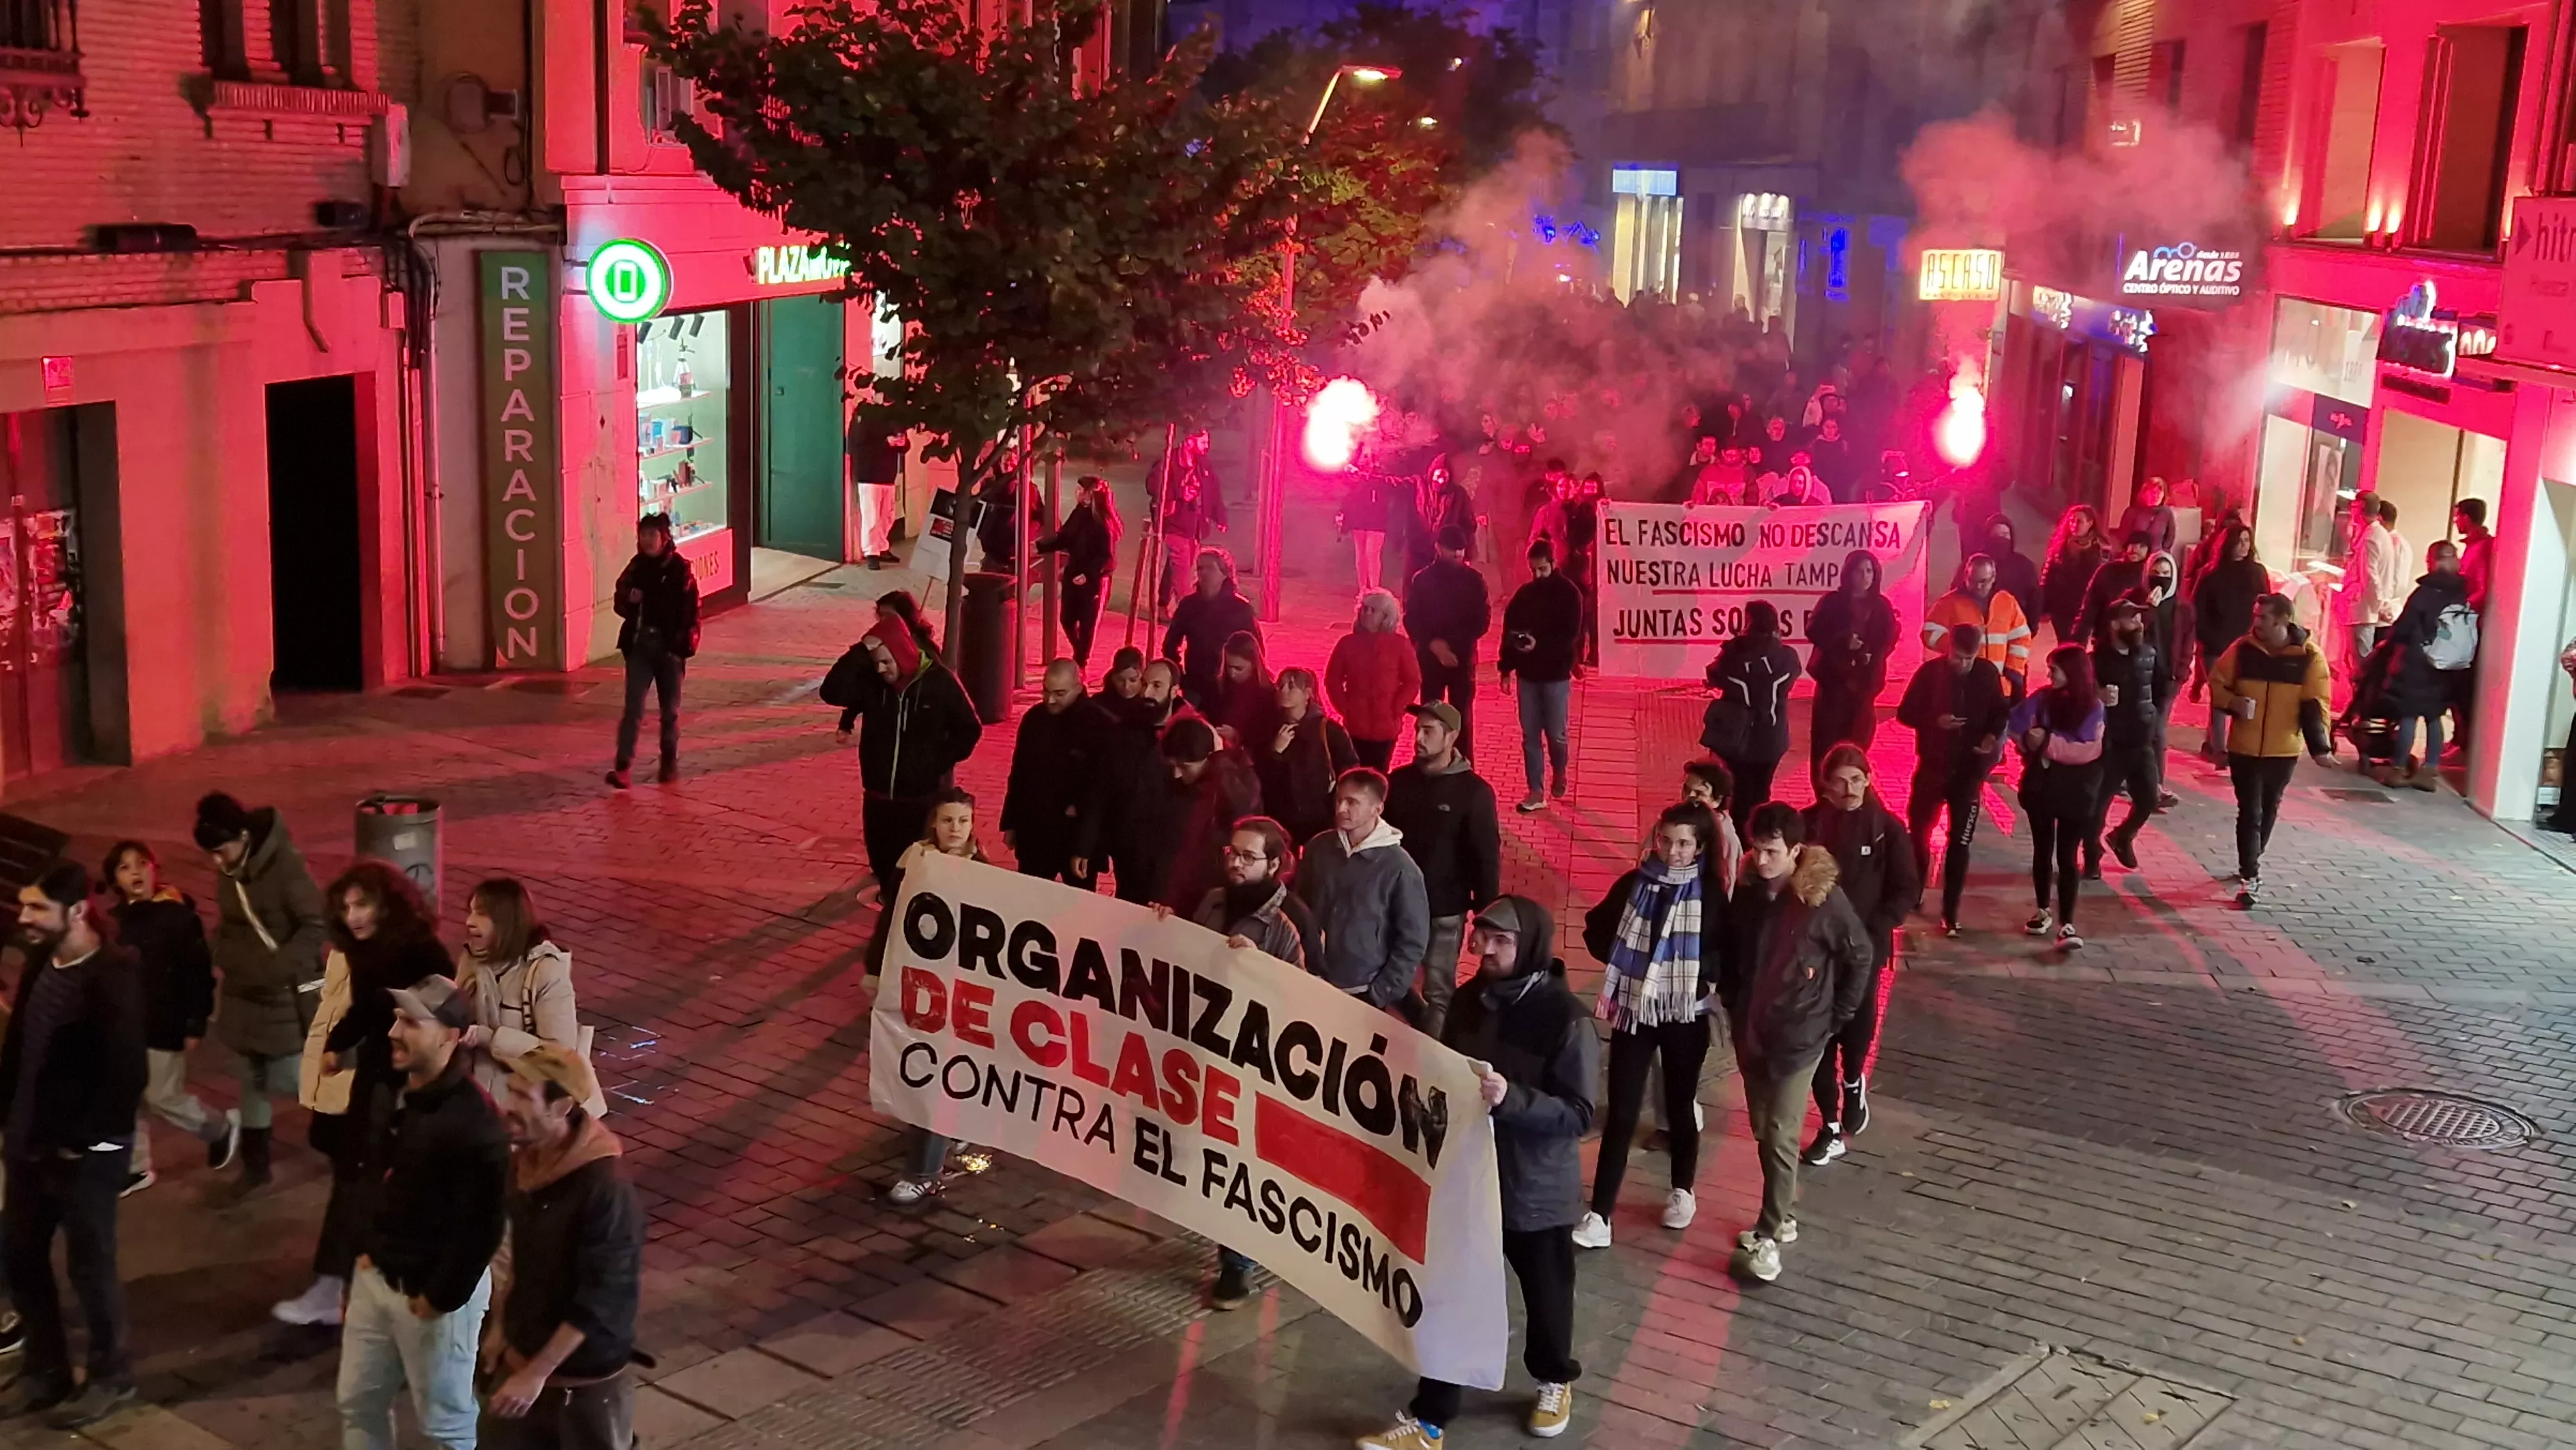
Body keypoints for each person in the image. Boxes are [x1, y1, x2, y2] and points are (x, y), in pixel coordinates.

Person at [1357, 896, 1593, 1449]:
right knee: (1451, 1297)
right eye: (1482, 937)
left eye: (1501, 941)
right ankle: (1431, 1417)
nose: (1485, 950)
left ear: (1529, 947)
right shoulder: (1469, 1001)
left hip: (1533, 1189)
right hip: (1468, 1179)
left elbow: (1579, 1113)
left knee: (1547, 1294)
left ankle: (1554, 1378)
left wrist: (1513, 1100)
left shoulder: (1565, 1017)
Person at [279, 860, 457, 1329]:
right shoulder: (365, 951)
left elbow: (441, 1018)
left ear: (387, 904)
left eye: (363, 905)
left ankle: (349, 1287)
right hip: (377, 1080)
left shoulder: (422, 953)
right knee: (356, 1177)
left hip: (406, 1087)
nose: (353, 916)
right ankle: (343, 1285)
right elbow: (366, 1008)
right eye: (346, 907)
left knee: (371, 1184)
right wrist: (337, 1045)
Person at [0, 862, 147, 1427]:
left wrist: (83, 1144)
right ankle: (46, 1369)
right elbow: (21, 1047)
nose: (25, 917)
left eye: (38, 907)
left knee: (90, 1265)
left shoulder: (112, 977)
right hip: (28, 1143)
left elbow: (126, 1077)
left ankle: (112, 1376)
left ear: (79, 911)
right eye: (24, 905)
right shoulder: (42, 960)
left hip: (83, 1156)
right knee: (20, 1254)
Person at [336, 977, 509, 1450]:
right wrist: (361, 1257)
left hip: (430, 1297)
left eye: (411, 1022)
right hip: (376, 1276)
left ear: (450, 1037)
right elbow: (369, 1180)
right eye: (397, 1019)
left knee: (445, 1424)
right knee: (357, 1403)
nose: (394, 1032)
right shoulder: (389, 1090)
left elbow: (482, 1228)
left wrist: (438, 1299)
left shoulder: (475, 1123)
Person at [1718, 806, 1871, 1285]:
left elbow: (1860, 955)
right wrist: (1733, 999)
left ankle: (1770, 1231)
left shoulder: (1822, 900)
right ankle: (1781, 1216)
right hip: (1753, 1031)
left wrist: (1835, 1017)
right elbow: (1734, 952)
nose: (1762, 859)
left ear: (1796, 851)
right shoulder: (1749, 892)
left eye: (1772, 852)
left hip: (1800, 1036)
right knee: (1765, 1130)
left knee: (1782, 1132)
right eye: (1757, 849)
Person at [1573, 803, 1725, 1247]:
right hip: (1634, 1009)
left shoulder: (1711, 893)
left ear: (1700, 847)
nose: (1672, 852)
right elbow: (1595, 929)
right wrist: (1624, 959)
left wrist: (1700, 973)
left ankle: (1682, 1189)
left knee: (1679, 1104)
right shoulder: (1635, 883)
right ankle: (1600, 1214)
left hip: (1685, 1013)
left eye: (1683, 844)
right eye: (1666, 840)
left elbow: (1727, 949)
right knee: (1622, 1110)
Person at [480, 1044, 643, 1450]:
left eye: (524, 1096)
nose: (507, 1106)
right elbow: (521, 1258)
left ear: (562, 1107)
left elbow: (602, 1296)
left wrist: (537, 1373)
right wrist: (502, 1329)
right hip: (523, 1358)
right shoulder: (526, 1162)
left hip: (582, 1383)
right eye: (511, 1091)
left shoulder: (604, 1190)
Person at [1192, 817, 1320, 1313]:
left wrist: (1259, 969)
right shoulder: (1213, 902)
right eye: (1233, 853)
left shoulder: (1292, 921)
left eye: (1249, 857)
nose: (1236, 864)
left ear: (1275, 864)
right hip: (1207, 1050)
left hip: (1258, 1063)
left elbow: (1310, 998)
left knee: (1241, 1162)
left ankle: (1238, 1263)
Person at [196, 790, 330, 1196]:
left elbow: (315, 925)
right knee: (250, 1078)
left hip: (285, 994)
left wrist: (279, 967)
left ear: (242, 837)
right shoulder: (231, 870)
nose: (217, 862)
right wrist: (219, 950)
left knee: (291, 1076)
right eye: (211, 854)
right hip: (244, 994)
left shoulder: (286, 868)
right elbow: (231, 923)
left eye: (221, 851)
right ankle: (256, 1166)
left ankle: (347, 1121)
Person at [1797, 747, 1917, 1167]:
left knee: (1856, 1025)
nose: (1849, 789)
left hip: (1864, 951)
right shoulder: (1808, 826)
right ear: (1825, 785)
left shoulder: (1887, 829)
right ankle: (1829, 1125)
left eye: (1857, 779)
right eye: (1840, 781)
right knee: (1819, 1033)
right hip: (1817, 950)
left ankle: (1852, 1081)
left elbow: (1906, 888)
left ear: (1868, 779)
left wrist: (1873, 929)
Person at [102, 841, 238, 1194]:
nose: (135, 872)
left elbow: (198, 975)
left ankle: (218, 1128)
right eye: (125, 867)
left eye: (141, 863)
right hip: (125, 1024)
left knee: (162, 1096)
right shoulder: (116, 922)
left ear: (154, 869)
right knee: (126, 1095)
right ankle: (135, 1167)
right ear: (115, 880)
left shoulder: (178, 918)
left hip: (164, 1024)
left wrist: (195, 1022)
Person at [884, 790, 998, 1204]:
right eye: (948, 820)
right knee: (924, 1068)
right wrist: (876, 968)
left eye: (963, 821)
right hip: (921, 983)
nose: (955, 828)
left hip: (961, 988)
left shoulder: (984, 871)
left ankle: (924, 1170)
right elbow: (892, 917)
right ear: (934, 822)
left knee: (937, 1075)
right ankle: (954, 1129)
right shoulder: (914, 861)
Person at [835, 613, 983, 906]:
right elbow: (832, 691)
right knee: (883, 864)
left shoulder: (939, 682)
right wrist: (860, 651)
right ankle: (890, 910)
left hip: (921, 799)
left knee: (920, 867)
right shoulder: (874, 683)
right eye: (876, 662)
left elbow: (970, 728)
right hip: (879, 796)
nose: (881, 669)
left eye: (886, 662)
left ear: (902, 654)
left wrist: (936, 763)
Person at [2210, 594, 2333, 908]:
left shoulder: (2308, 656)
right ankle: (2250, 874)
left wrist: (2320, 747)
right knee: (2250, 811)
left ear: (2282, 621)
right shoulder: (2242, 649)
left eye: (2262, 617)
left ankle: (2253, 857)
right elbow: (2217, 682)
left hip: (2283, 749)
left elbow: (2316, 704)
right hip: (2244, 747)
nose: (2256, 623)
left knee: (2268, 808)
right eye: (2256, 615)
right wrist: (2233, 703)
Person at [1385, 703, 1500, 1038]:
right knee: (1390, 978)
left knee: (1438, 990)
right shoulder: (1399, 782)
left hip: (1444, 911)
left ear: (1451, 737)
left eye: (1428, 731)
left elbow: (1486, 857)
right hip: (1396, 904)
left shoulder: (1474, 792)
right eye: (1416, 730)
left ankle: (1431, 1057)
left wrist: (1486, 915)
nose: (1418, 738)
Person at [1897, 624, 2011, 934]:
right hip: (1933, 767)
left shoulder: (1986, 673)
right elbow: (1905, 713)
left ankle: (1951, 910)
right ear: (1949, 649)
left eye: (1970, 659)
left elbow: (2000, 712)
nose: (1964, 664)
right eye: (1959, 657)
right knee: (1918, 832)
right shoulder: (1930, 673)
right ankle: (1916, 891)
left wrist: (1991, 737)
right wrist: (1935, 721)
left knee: (1961, 841)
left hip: (1969, 771)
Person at [1291, 768, 1430, 1011]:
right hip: (1310, 978)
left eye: (1352, 802)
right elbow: (1298, 906)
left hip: (1361, 991)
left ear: (1378, 808)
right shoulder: (1319, 847)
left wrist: (1380, 993)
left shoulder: (1400, 868)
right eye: (1339, 800)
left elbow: (1412, 941)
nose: (1341, 809)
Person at [457, 878, 594, 1113]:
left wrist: (490, 1038)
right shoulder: (473, 959)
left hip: (525, 1109)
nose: (470, 922)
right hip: (475, 1102)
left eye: (481, 914)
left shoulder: (545, 970)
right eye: (470, 912)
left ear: (506, 922)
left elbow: (559, 1055)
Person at [2007, 645, 2106, 948]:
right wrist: (2029, 741)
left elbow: (2087, 749)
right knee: (2042, 850)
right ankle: (2043, 910)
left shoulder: (2093, 707)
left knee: (2067, 855)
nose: (2049, 675)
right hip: (2042, 787)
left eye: (2055, 670)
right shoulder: (2043, 698)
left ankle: (2068, 922)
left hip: (2075, 791)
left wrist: (2046, 742)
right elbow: (2015, 723)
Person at [606, 513, 701, 789]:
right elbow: (620, 601)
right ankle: (623, 767)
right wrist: (630, 600)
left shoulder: (680, 570)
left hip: (670, 650)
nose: (647, 540)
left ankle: (668, 762)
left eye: (653, 535)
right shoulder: (636, 568)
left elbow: (692, 612)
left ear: (664, 537)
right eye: (644, 535)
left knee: (669, 712)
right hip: (640, 647)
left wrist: (681, 647)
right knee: (633, 708)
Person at [1084, 658, 1189, 903]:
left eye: (1157, 686)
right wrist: (1087, 844)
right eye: (1145, 684)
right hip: (1127, 846)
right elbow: (1101, 785)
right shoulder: (1124, 728)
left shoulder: (1190, 733)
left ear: (1174, 691)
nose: (1147, 692)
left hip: (1167, 851)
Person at [2379, 541, 2474, 790]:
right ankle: (2430, 771)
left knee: (2409, 715)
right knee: (2434, 717)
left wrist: (2390, 648)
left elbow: (2404, 628)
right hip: (2445, 664)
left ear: (2432, 561)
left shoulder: (2424, 593)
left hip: (2418, 662)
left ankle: (2399, 769)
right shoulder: (2461, 594)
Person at [1003, 660, 1106, 888]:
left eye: (1059, 694)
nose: (1050, 700)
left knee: (1078, 902)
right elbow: (1019, 773)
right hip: (1035, 831)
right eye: (1046, 691)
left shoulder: (1099, 724)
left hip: (1075, 834)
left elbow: (1099, 791)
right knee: (1032, 897)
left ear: (1078, 688)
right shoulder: (1034, 719)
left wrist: (1085, 847)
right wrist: (1011, 822)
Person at [1499, 541, 1582, 811]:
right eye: (1533, 570)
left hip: (1556, 675)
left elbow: (1569, 635)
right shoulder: (1525, 595)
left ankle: (1560, 770)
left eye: (1542, 569)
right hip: (1528, 675)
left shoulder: (1569, 594)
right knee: (1530, 735)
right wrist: (1506, 667)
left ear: (1553, 564)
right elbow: (1510, 630)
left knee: (1557, 734)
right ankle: (1535, 790)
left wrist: (1540, 645)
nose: (1537, 575)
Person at [2088, 597, 2170, 874]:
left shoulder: (2149, 654)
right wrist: (2097, 696)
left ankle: (2123, 836)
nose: (2139, 624)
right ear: (2114, 625)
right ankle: (2092, 855)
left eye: (2139, 618)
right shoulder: (2097, 660)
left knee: (2149, 799)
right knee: (2098, 805)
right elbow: (2080, 697)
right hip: (2110, 744)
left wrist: (2152, 718)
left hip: (2141, 741)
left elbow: (2160, 690)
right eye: (2131, 619)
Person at [1704, 600, 1802, 831]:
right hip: (1773, 736)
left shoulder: (1735, 653)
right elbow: (1791, 675)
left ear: (1749, 623)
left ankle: (1740, 838)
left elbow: (1715, 674)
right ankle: (1757, 834)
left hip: (1739, 736)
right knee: (1761, 790)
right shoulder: (1787, 656)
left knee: (1739, 791)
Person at [1151, 719, 1264, 914]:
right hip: (1179, 892)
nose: (1177, 774)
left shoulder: (1234, 785)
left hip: (1215, 894)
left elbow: (1245, 816)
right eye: (1173, 766)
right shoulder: (1179, 784)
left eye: (1184, 767)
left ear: (1207, 758)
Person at [1405, 525, 1492, 755]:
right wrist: (1434, 644)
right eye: (1452, 549)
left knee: (1461, 718)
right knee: (1430, 715)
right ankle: (1428, 760)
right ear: (1438, 548)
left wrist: (1452, 646)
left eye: (1461, 550)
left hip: (1461, 659)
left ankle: (1462, 765)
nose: (1457, 554)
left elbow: (1481, 621)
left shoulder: (1474, 581)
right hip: (1431, 659)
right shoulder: (1423, 580)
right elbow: (1413, 618)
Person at [1807, 551, 1897, 766]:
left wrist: (1872, 652)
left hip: (1864, 683)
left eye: (1869, 571)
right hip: (1833, 683)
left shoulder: (1881, 606)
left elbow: (1889, 638)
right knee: (1827, 741)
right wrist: (1843, 641)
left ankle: (1852, 779)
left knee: (1858, 740)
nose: (1865, 577)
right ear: (1849, 573)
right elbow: (1814, 630)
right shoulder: (1832, 602)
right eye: (1859, 571)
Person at [1255, 666, 1358, 847]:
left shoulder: (1328, 730)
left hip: (1318, 815)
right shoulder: (1267, 727)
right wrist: (1276, 751)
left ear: (1308, 693)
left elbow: (1349, 768)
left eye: (1291, 686)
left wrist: (1334, 802)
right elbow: (1260, 773)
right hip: (1281, 815)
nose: (1284, 691)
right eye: (1280, 686)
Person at [2190, 523, 2268, 762]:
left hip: (2247, 645)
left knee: (2244, 695)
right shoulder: (2211, 574)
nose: (2244, 546)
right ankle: (2219, 748)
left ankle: (2226, 744)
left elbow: (2266, 606)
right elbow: (2196, 610)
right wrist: (2206, 638)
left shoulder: (2256, 573)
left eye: (2247, 541)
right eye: (2239, 541)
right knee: (2220, 697)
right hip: (2215, 646)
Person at [1327, 588, 1421, 771]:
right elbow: (1333, 679)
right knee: (1352, 769)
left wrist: (1397, 708)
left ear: (1385, 616)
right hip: (1355, 723)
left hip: (1385, 726)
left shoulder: (1400, 645)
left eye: (1373, 610)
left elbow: (1412, 680)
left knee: (1379, 770)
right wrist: (1344, 707)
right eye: (1364, 609)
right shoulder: (1347, 643)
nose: (1366, 613)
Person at [1032, 475, 1120, 670]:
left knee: (1087, 624)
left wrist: (1088, 575)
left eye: (1081, 490)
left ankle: (1081, 662)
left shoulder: (1103, 522)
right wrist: (1040, 547)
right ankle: (1079, 655)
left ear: (1090, 494)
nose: (1077, 493)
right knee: (1067, 619)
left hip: (1092, 580)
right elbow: (1065, 538)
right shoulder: (1079, 512)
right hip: (1073, 573)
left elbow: (1105, 556)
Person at [1162, 547, 1260, 706]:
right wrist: (1181, 676)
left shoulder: (1240, 608)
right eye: (1200, 568)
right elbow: (1170, 644)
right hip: (1196, 685)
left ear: (1225, 573)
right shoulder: (1189, 605)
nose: (1203, 573)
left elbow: (1256, 648)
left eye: (1210, 568)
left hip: (1229, 686)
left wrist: (1243, 678)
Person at [1922, 555, 2032, 693]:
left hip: (1999, 684)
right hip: (1964, 683)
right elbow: (1929, 634)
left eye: (1983, 581)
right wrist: (1959, 644)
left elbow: (2022, 637)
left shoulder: (2007, 602)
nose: (1978, 587)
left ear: (1993, 578)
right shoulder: (1949, 603)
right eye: (1973, 581)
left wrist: (2013, 670)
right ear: (1965, 576)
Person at [1149, 428, 1226, 612]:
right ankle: (1188, 612)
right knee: (1184, 573)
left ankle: (1162, 603)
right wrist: (1179, 493)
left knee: (1180, 566)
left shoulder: (1202, 463)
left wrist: (1219, 517)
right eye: (1203, 442)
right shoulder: (1170, 461)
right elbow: (1153, 486)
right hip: (1175, 524)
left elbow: (1213, 489)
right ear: (1190, 441)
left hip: (1195, 526)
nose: (1207, 447)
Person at [2337, 493, 2403, 688]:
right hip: (2366, 608)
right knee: (2360, 660)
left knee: (2360, 663)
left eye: (2354, 508)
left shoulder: (2371, 537)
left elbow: (2370, 576)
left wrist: (2378, 605)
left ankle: (2360, 702)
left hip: (2362, 610)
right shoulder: (2377, 534)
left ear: (2361, 509)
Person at [1404, 458, 1479, 585]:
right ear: (1432, 473)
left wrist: (1467, 555)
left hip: (1444, 552)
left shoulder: (1458, 494)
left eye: (1444, 477)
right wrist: (1371, 478)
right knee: (1416, 584)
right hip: (1418, 549)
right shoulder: (1419, 485)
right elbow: (1396, 484)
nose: (1440, 481)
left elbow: (1468, 525)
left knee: (1443, 586)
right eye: (1438, 476)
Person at [2041, 506, 2107, 648]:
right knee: (2063, 644)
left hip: (2084, 608)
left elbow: (2101, 581)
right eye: (2072, 520)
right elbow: (2049, 575)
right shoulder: (2061, 545)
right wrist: (2045, 605)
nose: (2074, 525)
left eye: (2079, 521)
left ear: (2090, 523)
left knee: (2078, 646)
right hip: (2061, 606)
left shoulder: (2100, 549)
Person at [848, 417, 909, 569]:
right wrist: (885, 443)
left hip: (888, 475)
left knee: (888, 515)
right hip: (869, 474)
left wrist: (903, 444)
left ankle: (881, 547)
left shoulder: (894, 417)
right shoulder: (864, 418)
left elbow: (905, 447)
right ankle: (871, 553)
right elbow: (857, 446)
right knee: (872, 517)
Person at [1204, 630, 1281, 749]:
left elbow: (1267, 735)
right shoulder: (1218, 687)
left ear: (1254, 665)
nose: (1232, 673)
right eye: (1229, 667)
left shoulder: (1268, 694)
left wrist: (1238, 737)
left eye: (1239, 669)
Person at [1677, 760, 1745, 892]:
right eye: (1686, 789)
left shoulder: (1726, 839)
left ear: (1717, 800)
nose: (1689, 797)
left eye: (1699, 793)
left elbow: (1727, 886)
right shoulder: (1670, 822)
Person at [2078, 531, 2152, 646]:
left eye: (2142, 546)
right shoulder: (2108, 571)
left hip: (2138, 641)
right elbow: (2090, 606)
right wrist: (2079, 640)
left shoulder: (2151, 575)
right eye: (2133, 544)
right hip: (2105, 637)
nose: (2135, 549)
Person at [1978, 515, 2042, 627]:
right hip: (1981, 628)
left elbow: (2035, 599)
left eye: (2005, 535)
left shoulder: (2024, 565)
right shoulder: (1975, 564)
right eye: (1996, 535)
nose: (2000, 539)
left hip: (2015, 628)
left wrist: (2031, 628)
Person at [1339, 469, 1395, 592]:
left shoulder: (1380, 475)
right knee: (1362, 554)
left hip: (1376, 520)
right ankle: (1363, 589)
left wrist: (1370, 477)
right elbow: (1349, 492)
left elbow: (1389, 486)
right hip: (1360, 519)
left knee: (1372, 554)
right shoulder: (1357, 474)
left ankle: (1374, 589)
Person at [2119, 476, 2179, 557]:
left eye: (2160, 492)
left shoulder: (2167, 513)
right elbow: (2123, 538)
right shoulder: (2132, 512)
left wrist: (2162, 553)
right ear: (2145, 493)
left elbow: (2170, 538)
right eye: (2154, 492)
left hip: (2156, 557)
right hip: (2135, 557)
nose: (2157, 495)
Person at [2455, 497, 2495, 614]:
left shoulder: (2483, 546)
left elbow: (2482, 588)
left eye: (2457, 517)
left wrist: (2461, 608)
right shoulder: (2472, 546)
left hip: (2471, 613)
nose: (2455, 522)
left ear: (2466, 518)